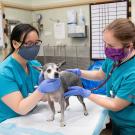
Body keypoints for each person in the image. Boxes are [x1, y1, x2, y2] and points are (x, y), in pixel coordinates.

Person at [64, 18, 135, 135]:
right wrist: (79, 72)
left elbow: (116, 105)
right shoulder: (113, 58)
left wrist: (87, 94)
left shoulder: (133, 73)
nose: (106, 48)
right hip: (117, 121)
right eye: (105, 43)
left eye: (111, 45)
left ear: (129, 45)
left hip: (130, 126)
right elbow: (99, 74)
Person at [0, 23, 61, 123]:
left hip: (30, 115)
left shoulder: (34, 65)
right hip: (8, 122)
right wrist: (41, 90)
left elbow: (44, 95)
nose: (34, 47)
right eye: (28, 43)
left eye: (36, 43)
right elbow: (21, 108)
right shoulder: (4, 73)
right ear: (15, 44)